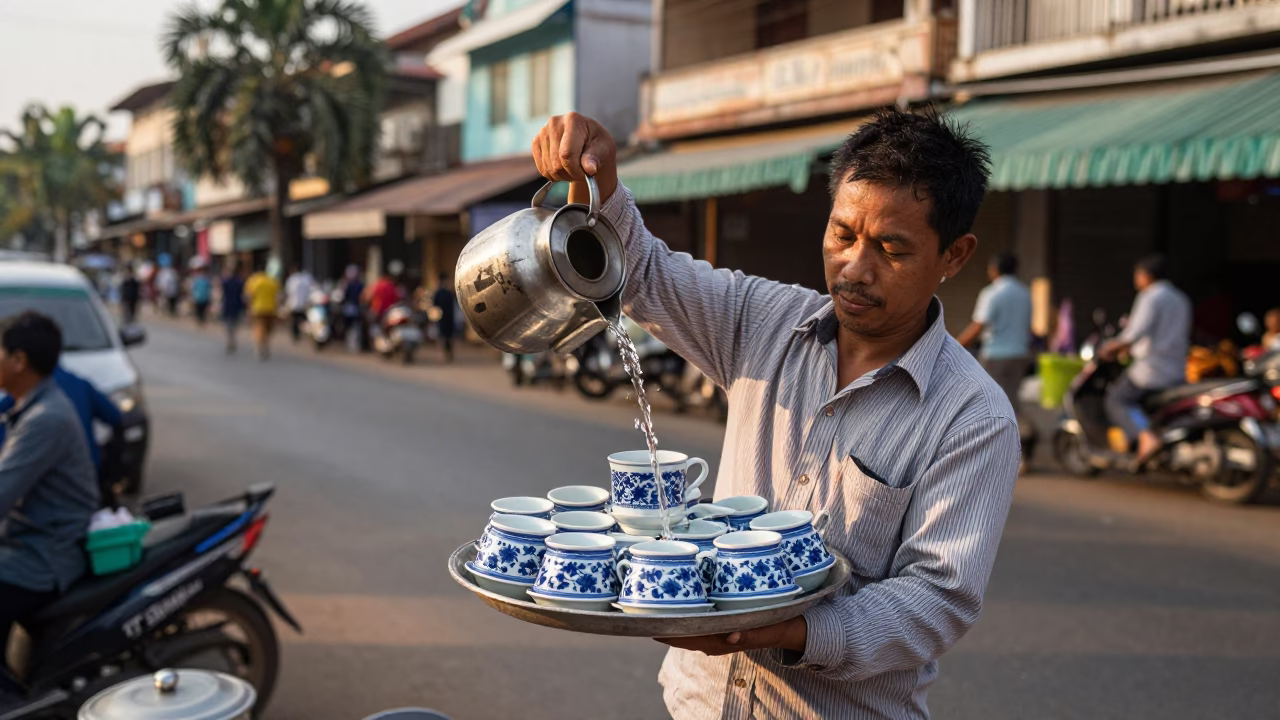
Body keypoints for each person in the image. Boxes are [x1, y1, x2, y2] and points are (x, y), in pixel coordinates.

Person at [532, 109, 1019, 719]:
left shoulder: (972, 416)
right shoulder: (762, 323)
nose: (855, 268)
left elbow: (937, 598)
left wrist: (790, 631)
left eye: (892, 249)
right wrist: (599, 182)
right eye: (843, 235)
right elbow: (647, 273)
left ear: (955, 255)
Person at [0, 312, 99, 686]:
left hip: (44, 556)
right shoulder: (30, 407)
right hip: (25, 543)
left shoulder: (46, 418)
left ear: (19, 360)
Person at [1099, 254, 1192, 466]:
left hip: (1151, 369)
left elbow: (1134, 333)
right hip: (1177, 370)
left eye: (1138, 275)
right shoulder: (1181, 298)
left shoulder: (1151, 297)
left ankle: (1145, 436)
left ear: (1147, 275)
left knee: (1116, 399)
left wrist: (1110, 348)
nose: (1136, 279)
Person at [957, 252, 1033, 463]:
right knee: (1011, 401)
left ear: (994, 269)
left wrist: (955, 345)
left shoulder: (992, 293)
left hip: (996, 356)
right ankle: (1020, 447)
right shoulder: (1025, 292)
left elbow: (978, 325)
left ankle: (1013, 452)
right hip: (1020, 355)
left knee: (991, 405)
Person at [244, 263, 281, 361]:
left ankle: (259, 348)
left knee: (259, 329)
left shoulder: (253, 280)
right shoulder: (272, 281)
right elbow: (278, 297)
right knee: (268, 330)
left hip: (257, 309)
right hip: (271, 309)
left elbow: (249, 296)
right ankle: (266, 347)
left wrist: (248, 308)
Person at [284, 265, 315, 343]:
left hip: (296, 304)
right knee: (301, 320)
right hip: (302, 304)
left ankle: (297, 335)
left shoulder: (293, 279)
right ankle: (299, 334)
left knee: (297, 321)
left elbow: (288, 291)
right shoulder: (306, 278)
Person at [432, 273, 459, 363]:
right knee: (443, 336)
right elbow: (435, 306)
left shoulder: (449, 292)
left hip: (448, 317)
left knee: (448, 336)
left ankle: (448, 353)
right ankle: (444, 353)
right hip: (443, 317)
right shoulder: (441, 292)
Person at [221, 265, 247, 355]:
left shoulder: (226, 282)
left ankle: (230, 339)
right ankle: (232, 339)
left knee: (229, 325)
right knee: (233, 324)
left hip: (229, 305)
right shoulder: (239, 282)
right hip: (235, 305)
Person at [339, 265, 365, 352]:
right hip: (352, 308)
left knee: (352, 327)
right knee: (351, 327)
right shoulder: (357, 284)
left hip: (353, 308)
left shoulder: (353, 284)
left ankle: (352, 345)